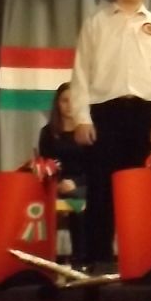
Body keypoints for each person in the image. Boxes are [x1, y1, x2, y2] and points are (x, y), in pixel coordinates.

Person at [70, 0, 151, 264]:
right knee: (102, 193)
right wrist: (81, 117)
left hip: (145, 116)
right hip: (104, 115)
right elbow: (81, 73)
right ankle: (99, 264)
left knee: (143, 192)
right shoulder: (97, 23)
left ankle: (144, 264)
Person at [38, 82, 90, 264]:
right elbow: (44, 165)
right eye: (64, 101)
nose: (69, 105)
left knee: (80, 201)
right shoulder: (48, 133)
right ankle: (45, 258)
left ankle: (81, 259)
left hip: (83, 184)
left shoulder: (87, 131)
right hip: (56, 184)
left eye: (73, 100)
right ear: (57, 104)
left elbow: (94, 167)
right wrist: (58, 183)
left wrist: (75, 184)